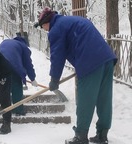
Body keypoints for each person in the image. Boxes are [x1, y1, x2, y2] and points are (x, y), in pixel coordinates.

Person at [35, 7, 117, 144]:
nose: (44, 29)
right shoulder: (71, 21)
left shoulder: (55, 29)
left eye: (42, 26)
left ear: (46, 22)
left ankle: (80, 136)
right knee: (104, 99)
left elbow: (57, 56)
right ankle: (102, 135)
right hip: (107, 59)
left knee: (85, 100)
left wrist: (54, 79)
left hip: (90, 62)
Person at [0, 36, 38, 116]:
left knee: (3, 86)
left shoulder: (6, 41)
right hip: (11, 65)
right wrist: (32, 78)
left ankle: (5, 108)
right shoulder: (23, 46)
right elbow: (28, 64)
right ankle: (18, 110)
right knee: (16, 87)